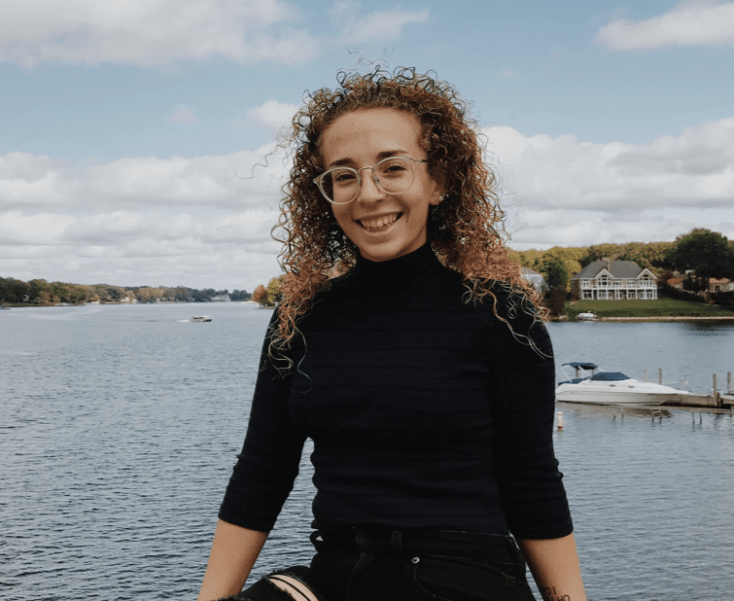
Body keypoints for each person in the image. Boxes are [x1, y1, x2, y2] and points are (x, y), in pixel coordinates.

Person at [198, 67, 587, 601]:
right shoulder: (299, 314)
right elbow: (262, 473)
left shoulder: (501, 314)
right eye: (344, 175)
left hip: (463, 577)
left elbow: (532, 481)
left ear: (439, 181)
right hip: (338, 572)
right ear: (326, 194)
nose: (369, 194)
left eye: (393, 168)